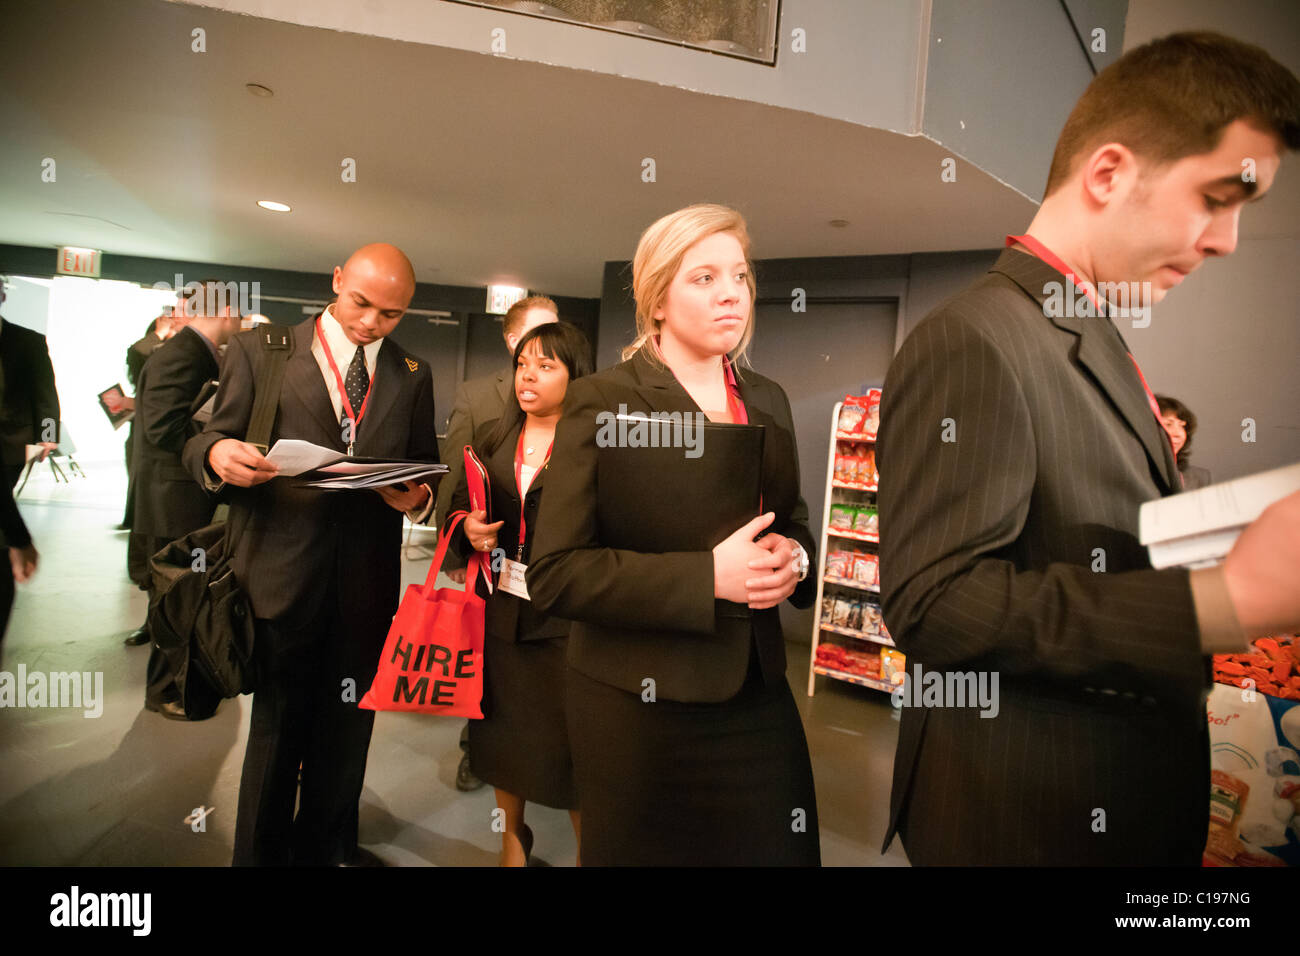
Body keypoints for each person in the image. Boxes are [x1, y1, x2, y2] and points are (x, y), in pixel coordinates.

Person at [877, 31, 1300, 866]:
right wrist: (1223, 601)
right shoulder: (978, 337)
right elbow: (936, 603)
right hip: (1023, 817)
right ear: (1108, 174)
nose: (1227, 241)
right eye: (1220, 197)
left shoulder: (1086, 330)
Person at [527, 203, 821, 866]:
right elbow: (555, 572)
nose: (731, 295)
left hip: (755, 694)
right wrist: (704, 578)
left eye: (740, 278)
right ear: (657, 300)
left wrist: (795, 556)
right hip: (636, 702)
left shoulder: (767, 398)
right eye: (705, 278)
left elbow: (792, 517)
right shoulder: (602, 403)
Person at [183, 243, 440, 866]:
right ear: (335, 282)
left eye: (391, 313)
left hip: (365, 584)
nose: (371, 323)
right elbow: (202, 440)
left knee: (350, 727)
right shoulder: (263, 351)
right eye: (361, 303)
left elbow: (426, 467)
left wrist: (419, 500)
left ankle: (330, 846)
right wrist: (217, 456)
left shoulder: (411, 373)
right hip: (277, 576)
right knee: (277, 730)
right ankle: (261, 855)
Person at [448, 321, 592, 865]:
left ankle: (588, 851)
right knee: (501, 734)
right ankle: (513, 838)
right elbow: (459, 504)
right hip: (501, 611)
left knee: (572, 745)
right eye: (523, 363)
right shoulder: (492, 437)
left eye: (546, 365)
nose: (528, 375)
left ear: (576, 377)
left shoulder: (595, 446)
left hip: (568, 618)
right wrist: (467, 527)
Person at [434, 294, 559, 792]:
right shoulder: (477, 396)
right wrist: (455, 543)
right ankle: (479, 752)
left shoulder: (586, 400)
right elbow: (454, 479)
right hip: (494, 565)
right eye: (538, 334)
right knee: (487, 665)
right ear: (512, 341)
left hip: (553, 574)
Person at [128, 283, 240, 715]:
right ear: (226, 310)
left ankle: (180, 682)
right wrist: (218, 447)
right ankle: (164, 691)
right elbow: (161, 427)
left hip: (180, 494)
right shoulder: (183, 353)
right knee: (174, 594)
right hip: (173, 497)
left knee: (185, 591)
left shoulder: (197, 351)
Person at [0, 278, 60, 489]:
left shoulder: (29, 342)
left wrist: (49, 435)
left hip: (11, 443)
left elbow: (46, 395)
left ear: (3, 297)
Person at [120, 312, 174, 531]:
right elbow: (136, 354)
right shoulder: (151, 355)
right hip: (141, 435)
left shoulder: (180, 356)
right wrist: (158, 334)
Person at [1157, 394, 1212, 490]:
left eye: (1182, 426)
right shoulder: (1132, 473)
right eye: (1168, 424)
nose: (1179, 434)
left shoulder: (1199, 478)